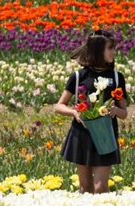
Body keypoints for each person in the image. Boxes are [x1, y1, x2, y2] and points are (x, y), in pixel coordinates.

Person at [54, 29, 129, 194]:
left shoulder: (117, 78)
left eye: (113, 48)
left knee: (100, 187)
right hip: (82, 134)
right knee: (85, 188)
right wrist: (74, 113)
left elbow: (124, 113)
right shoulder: (78, 76)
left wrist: (116, 110)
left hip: (105, 136)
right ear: (97, 50)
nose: (113, 52)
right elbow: (59, 106)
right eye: (109, 48)